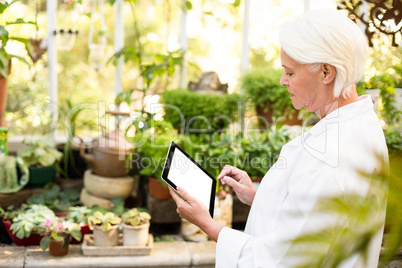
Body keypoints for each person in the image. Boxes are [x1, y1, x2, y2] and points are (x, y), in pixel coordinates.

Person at [169, 8, 389, 268]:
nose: (283, 81)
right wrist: (259, 195)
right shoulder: (359, 122)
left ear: (326, 73)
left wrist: (206, 223)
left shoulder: (329, 156)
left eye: (290, 72)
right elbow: (318, 214)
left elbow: (279, 260)